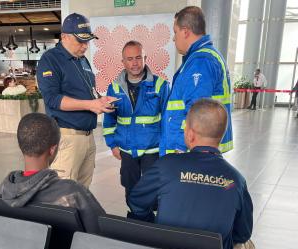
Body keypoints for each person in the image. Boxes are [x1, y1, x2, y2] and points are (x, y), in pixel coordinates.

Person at [129, 99, 254, 249]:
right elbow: (242, 234)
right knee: (248, 245)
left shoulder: (166, 166)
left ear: (190, 134)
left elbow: (136, 202)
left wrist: (153, 224)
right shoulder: (236, 181)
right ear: (222, 134)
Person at [37, 13, 116, 188]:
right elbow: (52, 99)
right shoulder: (50, 60)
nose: (85, 46)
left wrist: (100, 100)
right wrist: (90, 105)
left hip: (88, 138)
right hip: (67, 138)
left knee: (82, 194)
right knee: (63, 195)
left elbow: (87, 93)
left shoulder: (82, 61)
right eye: (80, 41)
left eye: (87, 41)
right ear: (64, 36)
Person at [0, 112, 105, 233]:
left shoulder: (5, 188)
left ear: (20, 145)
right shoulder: (72, 193)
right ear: (53, 149)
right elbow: (103, 233)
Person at [103, 40, 169, 210]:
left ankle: (151, 225)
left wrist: (166, 147)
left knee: (153, 189)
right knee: (130, 188)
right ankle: (135, 219)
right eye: (130, 59)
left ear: (145, 58)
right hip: (127, 149)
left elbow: (169, 119)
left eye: (138, 58)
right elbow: (109, 119)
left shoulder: (160, 85)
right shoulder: (115, 87)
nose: (134, 63)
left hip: (152, 149)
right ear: (123, 62)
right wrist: (112, 144)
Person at [160, 6, 233, 155]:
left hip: (188, 151)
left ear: (185, 31)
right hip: (197, 149)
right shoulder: (204, 57)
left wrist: (180, 147)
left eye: (175, 32)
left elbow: (196, 109)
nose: (174, 38)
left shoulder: (201, 62)